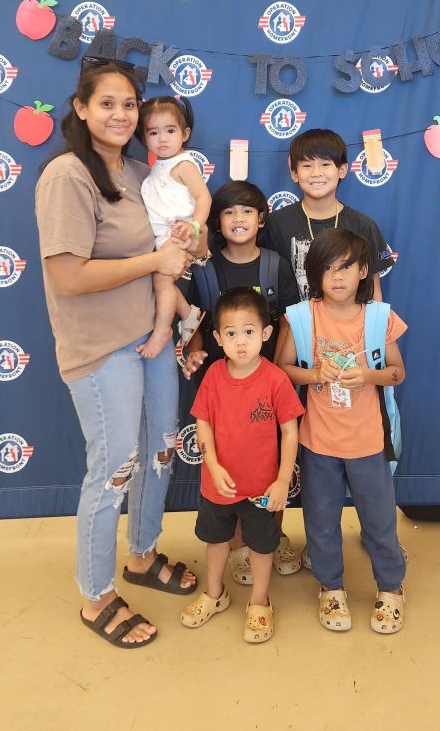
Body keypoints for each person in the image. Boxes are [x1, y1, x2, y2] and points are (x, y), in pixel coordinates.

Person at [35, 58, 197, 650]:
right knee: (114, 469)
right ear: (81, 108)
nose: (122, 115)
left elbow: (170, 239)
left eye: (130, 105)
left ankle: (142, 553)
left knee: (160, 452)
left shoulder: (137, 170)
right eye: (108, 103)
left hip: (150, 336)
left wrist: (184, 242)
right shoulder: (65, 176)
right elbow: (70, 277)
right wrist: (157, 262)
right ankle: (96, 591)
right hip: (102, 348)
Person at [277, 229, 408, 634]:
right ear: (315, 275)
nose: (337, 277)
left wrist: (367, 375)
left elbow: (398, 373)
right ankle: (331, 588)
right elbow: (282, 370)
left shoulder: (379, 316)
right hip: (318, 443)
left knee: (379, 520)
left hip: (368, 441)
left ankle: (391, 588)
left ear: (363, 271)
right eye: (328, 268)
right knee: (320, 519)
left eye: (346, 267)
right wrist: (316, 372)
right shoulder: (299, 317)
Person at [182, 180, 302, 584]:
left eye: (247, 211)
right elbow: (197, 319)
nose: (238, 219)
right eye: (229, 212)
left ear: (261, 219)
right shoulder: (206, 268)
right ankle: (238, 546)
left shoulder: (275, 264)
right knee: (230, 459)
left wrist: (282, 367)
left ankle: (272, 535)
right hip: (223, 384)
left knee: (269, 458)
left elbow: (288, 320)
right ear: (217, 221)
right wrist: (194, 351)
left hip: (268, 382)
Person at [180, 287, 304, 643]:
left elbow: (290, 434)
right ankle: (214, 594)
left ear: (266, 334)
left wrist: (282, 481)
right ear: (217, 338)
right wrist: (213, 464)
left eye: (249, 332)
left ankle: (260, 602)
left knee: (263, 546)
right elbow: (202, 423)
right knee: (217, 542)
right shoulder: (214, 376)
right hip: (217, 486)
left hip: (262, 489)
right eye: (231, 334)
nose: (241, 342)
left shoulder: (275, 380)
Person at [263, 128, 394, 303]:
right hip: (294, 327)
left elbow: (373, 293)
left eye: (325, 164)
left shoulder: (363, 225)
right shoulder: (276, 224)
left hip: (349, 327)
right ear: (294, 173)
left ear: (342, 170)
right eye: (307, 165)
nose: (316, 173)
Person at [137, 96, 211, 358]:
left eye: (170, 131)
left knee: (161, 279)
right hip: (163, 237)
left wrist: (193, 225)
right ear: (144, 137)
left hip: (178, 234)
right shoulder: (157, 166)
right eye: (153, 133)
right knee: (162, 282)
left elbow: (204, 198)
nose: (163, 139)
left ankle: (162, 330)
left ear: (185, 133)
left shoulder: (184, 164)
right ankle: (189, 314)